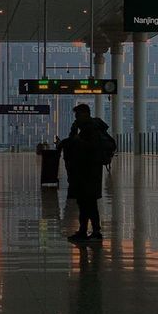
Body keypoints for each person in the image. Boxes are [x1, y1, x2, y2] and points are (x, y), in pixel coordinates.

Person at [64, 103, 105, 242]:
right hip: (84, 173)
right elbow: (71, 144)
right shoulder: (84, 129)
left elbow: (92, 148)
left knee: (89, 203)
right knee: (83, 203)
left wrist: (77, 139)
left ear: (85, 114)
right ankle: (84, 230)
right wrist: (74, 133)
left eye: (78, 115)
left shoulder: (91, 129)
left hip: (90, 173)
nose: (76, 118)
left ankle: (95, 231)